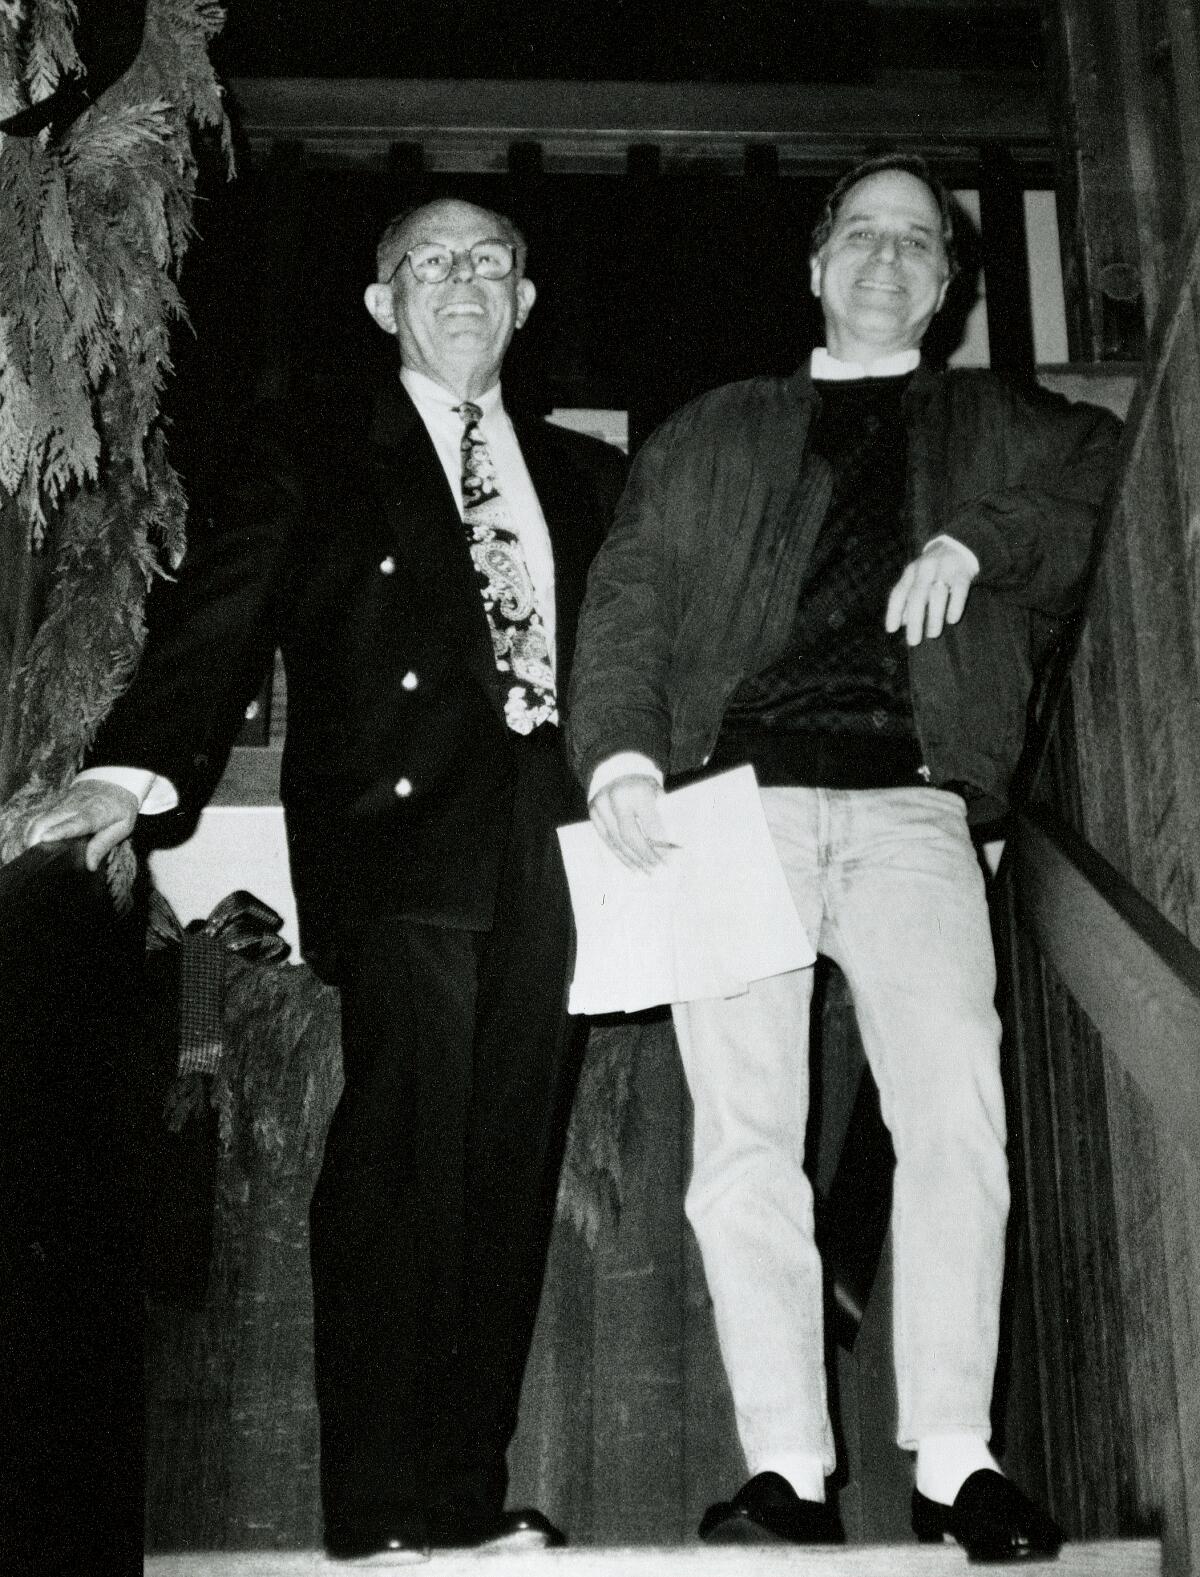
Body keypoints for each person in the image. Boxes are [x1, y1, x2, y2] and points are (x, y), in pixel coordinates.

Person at [26, 197, 627, 1562]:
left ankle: (461, 1500)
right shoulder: (315, 447)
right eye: (432, 262)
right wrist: (129, 775)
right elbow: (221, 609)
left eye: (492, 262)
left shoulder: (587, 479)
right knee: (404, 1149)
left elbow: (652, 648)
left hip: (561, 841)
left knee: (503, 1170)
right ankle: (376, 1509)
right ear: (381, 303)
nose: (464, 281)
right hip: (401, 829)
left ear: (526, 302)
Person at [567, 153, 1120, 1560]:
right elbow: (628, 585)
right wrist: (619, 748)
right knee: (743, 1144)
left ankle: (953, 1457)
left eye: (917, 244)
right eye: (861, 236)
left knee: (954, 1116)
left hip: (915, 807)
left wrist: (978, 537)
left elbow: (1106, 473)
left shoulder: (1004, 421)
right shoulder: (718, 428)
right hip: (727, 800)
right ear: (816, 267)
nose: (885, 260)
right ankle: (789, 1474)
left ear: (945, 285)